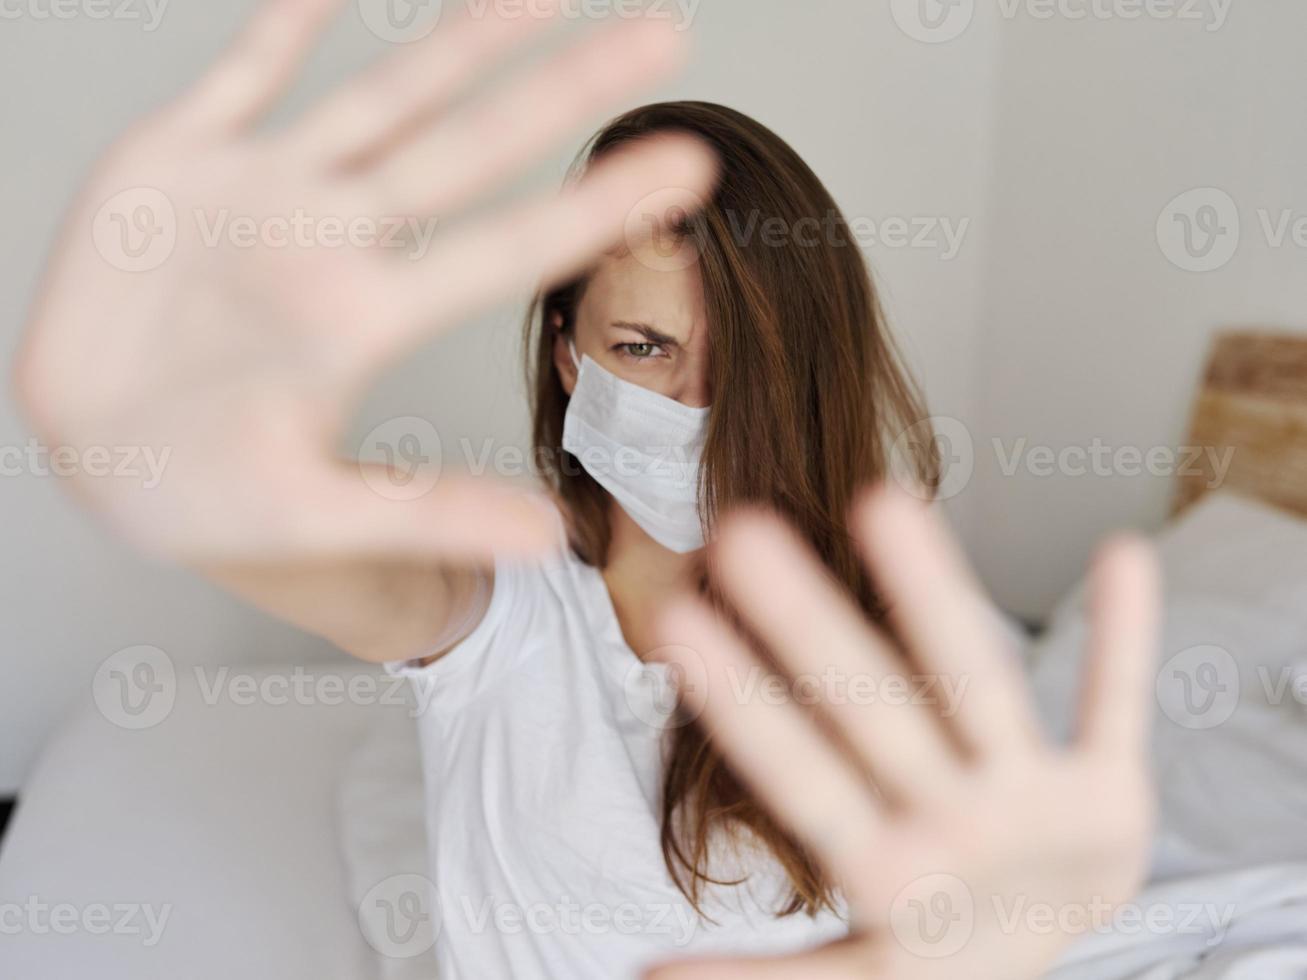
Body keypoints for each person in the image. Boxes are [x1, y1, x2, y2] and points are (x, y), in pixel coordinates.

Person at [12, 0, 1161, 977]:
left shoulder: (896, 648)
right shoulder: (498, 596)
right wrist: (163, 463)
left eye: (739, 361)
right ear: (568, 355)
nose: (695, 404)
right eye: (645, 348)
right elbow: (354, 571)